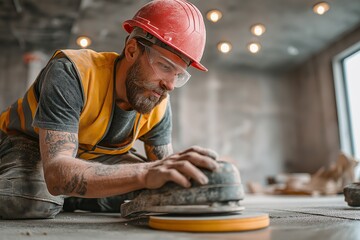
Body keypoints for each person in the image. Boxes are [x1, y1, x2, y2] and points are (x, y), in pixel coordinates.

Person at [0, 0, 219, 219]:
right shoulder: (73, 72)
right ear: (132, 49)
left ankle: (70, 194)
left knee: (157, 190)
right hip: (26, 143)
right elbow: (57, 171)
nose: (169, 85)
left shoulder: (158, 100)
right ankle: (63, 194)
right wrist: (144, 173)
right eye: (164, 66)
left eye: (179, 75)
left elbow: (164, 176)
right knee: (32, 199)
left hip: (95, 158)